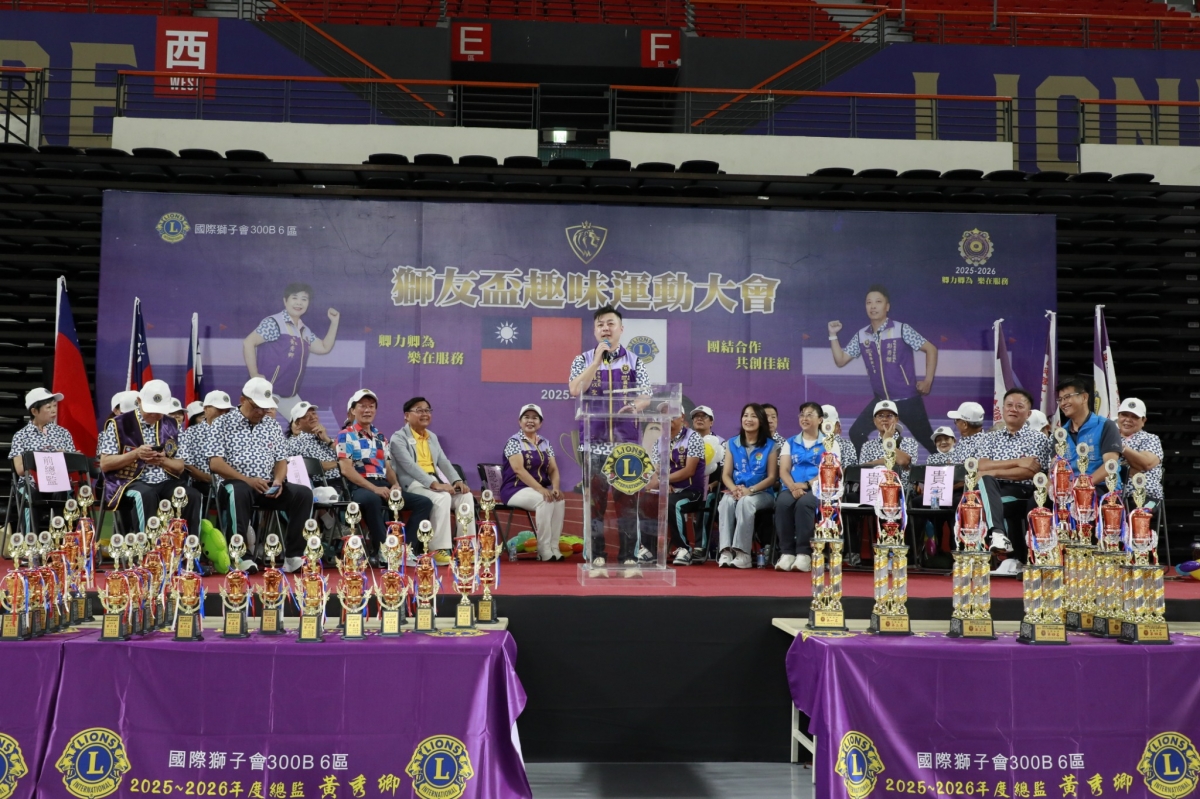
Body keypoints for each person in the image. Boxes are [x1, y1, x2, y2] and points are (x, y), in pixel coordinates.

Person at [567, 305, 651, 572]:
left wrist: (634, 406)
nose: (605, 328)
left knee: (627, 504)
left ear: (621, 329)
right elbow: (575, 389)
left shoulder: (635, 361)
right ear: (595, 330)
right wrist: (596, 362)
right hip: (594, 442)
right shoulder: (582, 360)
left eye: (610, 324)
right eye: (600, 324)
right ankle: (597, 554)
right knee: (596, 504)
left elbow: (646, 394)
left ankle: (628, 556)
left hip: (625, 445)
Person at [207, 377, 313, 573]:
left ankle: (294, 555)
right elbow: (215, 463)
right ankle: (240, 555)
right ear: (242, 400)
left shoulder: (271, 425)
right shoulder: (222, 423)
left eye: (264, 408)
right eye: (256, 407)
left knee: (303, 493)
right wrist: (247, 480)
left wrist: (278, 481)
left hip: (266, 485)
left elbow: (281, 460)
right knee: (237, 491)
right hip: (234, 484)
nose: (260, 412)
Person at [828, 284, 939, 452]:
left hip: (907, 400)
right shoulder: (862, 335)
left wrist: (928, 381)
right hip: (882, 402)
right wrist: (833, 335)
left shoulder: (901, 329)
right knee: (856, 432)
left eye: (878, 302)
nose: (873, 306)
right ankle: (874, 463)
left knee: (929, 442)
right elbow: (841, 360)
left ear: (887, 307)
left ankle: (948, 468)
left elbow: (931, 349)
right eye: (869, 302)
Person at [99, 379, 202, 543]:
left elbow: (180, 467)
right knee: (145, 495)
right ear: (139, 401)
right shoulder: (118, 424)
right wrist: (136, 454)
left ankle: (189, 550)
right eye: (151, 410)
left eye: (159, 412)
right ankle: (146, 551)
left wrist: (162, 461)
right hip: (129, 481)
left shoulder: (172, 425)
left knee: (192, 496)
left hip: (164, 480)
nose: (155, 415)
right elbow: (105, 464)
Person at [335, 390, 433, 563]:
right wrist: (375, 489)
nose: (367, 410)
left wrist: (395, 484)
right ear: (353, 410)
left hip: (382, 485)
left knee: (424, 503)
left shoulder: (380, 437)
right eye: (362, 406)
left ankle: (405, 549)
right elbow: (346, 470)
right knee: (372, 499)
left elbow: (388, 467)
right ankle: (383, 550)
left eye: (371, 407)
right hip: (358, 486)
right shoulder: (345, 435)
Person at [389, 395, 474, 563]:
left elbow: (443, 461)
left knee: (466, 497)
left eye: (427, 410)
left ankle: (466, 547)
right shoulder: (398, 438)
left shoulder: (432, 437)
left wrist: (456, 481)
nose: (424, 414)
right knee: (442, 498)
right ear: (406, 415)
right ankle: (438, 550)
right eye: (419, 410)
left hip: (434, 481)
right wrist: (434, 484)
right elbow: (409, 466)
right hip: (412, 483)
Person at [975, 388, 1052, 567]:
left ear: (1028, 413)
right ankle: (999, 537)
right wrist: (1018, 461)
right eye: (1009, 405)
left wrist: (994, 471)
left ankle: (1010, 552)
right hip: (992, 487)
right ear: (1002, 409)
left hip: (1022, 489)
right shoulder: (990, 438)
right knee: (985, 484)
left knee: (993, 502)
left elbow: (1030, 472)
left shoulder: (1038, 438)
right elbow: (982, 466)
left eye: (1019, 406)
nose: (1013, 409)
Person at [243, 282, 340, 419]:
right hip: (266, 393)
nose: (299, 303)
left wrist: (334, 322)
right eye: (295, 298)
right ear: (285, 301)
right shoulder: (274, 323)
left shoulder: (304, 330)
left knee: (305, 425)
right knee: (262, 429)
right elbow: (248, 342)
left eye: (304, 299)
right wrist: (254, 375)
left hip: (289, 395)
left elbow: (324, 347)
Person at [638, 408, 705, 566]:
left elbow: (689, 471)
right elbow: (657, 470)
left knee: (672, 503)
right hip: (668, 490)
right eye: (664, 415)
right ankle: (649, 549)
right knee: (646, 500)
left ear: (682, 417)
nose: (668, 418)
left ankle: (684, 548)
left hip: (691, 492)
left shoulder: (693, 437)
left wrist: (664, 481)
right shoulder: (659, 442)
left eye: (672, 414)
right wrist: (663, 483)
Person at [499, 404, 566, 562]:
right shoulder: (514, 441)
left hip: (538, 489)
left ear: (540, 423)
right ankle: (543, 549)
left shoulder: (545, 443)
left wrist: (556, 488)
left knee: (559, 500)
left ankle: (554, 547)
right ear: (520, 421)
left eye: (535, 418)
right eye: (526, 417)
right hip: (514, 489)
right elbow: (518, 469)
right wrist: (541, 489)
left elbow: (553, 469)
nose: (530, 421)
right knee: (545, 499)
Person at [717, 403, 777, 569]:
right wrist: (734, 489)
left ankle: (743, 553)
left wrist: (750, 491)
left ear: (761, 421)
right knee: (726, 501)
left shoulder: (771, 445)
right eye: (745, 415)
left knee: (746, 502)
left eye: (753, 416)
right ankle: (726, 551)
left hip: (762, 493)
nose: (748, 419)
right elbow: (726, 475)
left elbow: (772, 477)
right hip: (737, 490)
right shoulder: (732, 443)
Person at [9, 388, 78, 532]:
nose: (53, 410)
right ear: (34, 411)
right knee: (30, 494)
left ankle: (61, 540)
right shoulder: (20, 436)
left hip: (58, 482)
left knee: (63, 491)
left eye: (55, 406)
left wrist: (69, 457)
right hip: (31, 483)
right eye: (48, 407)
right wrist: (50, 457)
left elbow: (73, 465)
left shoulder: (63, 433)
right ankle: (30, 541)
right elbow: (20, 469)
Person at [774, 402, 828, 573]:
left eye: (810, 414)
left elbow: (829, 471)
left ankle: (804, 553)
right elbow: (784, 470)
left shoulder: (828, 443)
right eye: (802, 415)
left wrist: (806, 485)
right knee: (782, 503)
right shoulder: (790, 442)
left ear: (820, 419)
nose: (804, 418)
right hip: (792, 487)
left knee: (805, 504)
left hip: (818, 488)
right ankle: (787, 553)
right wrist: (793, 487)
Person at [1056, 377, 1121, 487]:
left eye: (1067, 397)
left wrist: (1081, 485)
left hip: (1101, 488)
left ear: (1084, 397)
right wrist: (1051, 486)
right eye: (1060, 399)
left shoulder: (1106, 425)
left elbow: (1110, 465)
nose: (1063, 403)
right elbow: (1055, 465)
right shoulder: (1060, 433)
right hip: (1069, 490)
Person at [857, 400, 918, 491]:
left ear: (896, 420)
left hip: (902, 493)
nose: (884, 419)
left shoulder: (909, 442)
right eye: (880, 416)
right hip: (873, 492)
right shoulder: (867, 446)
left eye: (889, 416)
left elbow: (903, 461)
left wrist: (887, 440)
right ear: (874, 421)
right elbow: (863, 469)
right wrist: (891, 460)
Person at [179, 390, 233, 488]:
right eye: (220, 410)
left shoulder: (235, 432)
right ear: (206, 409)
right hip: (202, 485)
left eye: (227, 411)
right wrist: (209, 479)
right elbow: (186, 464)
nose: (224, 414)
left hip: (233, 484)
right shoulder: (191, 433)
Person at [1115, 398, 1163, 508]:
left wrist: (1120, 447)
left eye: (1134, 417)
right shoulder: (1109, 436)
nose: (1128, 419)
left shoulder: (1150, 439)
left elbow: (1145, 463)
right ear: (1118, 416)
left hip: (1145, 496)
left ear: (1143, 420)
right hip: (1113, 494)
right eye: (1124, 415)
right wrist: (1129, 468)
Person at [286, 401, 340, 485]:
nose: (312, 417)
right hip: (324, 485)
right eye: (306, 416)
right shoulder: (295, 443)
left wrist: (327, 440)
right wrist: (340, 463)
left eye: (314, 413)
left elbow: (346, 454)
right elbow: (316, 466)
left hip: (345, 481)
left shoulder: (324, 436)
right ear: (297, 424)